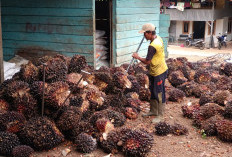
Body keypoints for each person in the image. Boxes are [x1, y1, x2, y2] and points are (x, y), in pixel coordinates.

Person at [132, 23, 168, 123]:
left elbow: (147, 61)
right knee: (153, 90)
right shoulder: (157, 38)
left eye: (145, 34)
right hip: (154, 70)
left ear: (150, 33)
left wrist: (137, 57)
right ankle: (153, 111)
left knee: (160, 93)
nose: (144, 36)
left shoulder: (153, 46)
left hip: (159, 72)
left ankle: (160, 115)